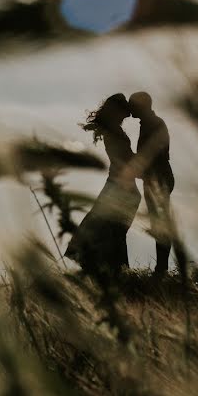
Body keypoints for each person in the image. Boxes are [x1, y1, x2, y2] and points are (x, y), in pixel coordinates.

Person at [64, 94, 142, 276]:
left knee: (108, 227)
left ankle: (108, 268)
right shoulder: (113, 132)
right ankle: (111, 269)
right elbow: (126, 160)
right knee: (111, 228)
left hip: (118, 185)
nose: (126, 117)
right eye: (124, 113)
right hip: (121, 187)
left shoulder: (112, 131)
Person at [128, 91, 175, 276]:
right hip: (156, 177)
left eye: (132, 105)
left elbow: (155, 154)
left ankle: (161, 269)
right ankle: (161, 267)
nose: (130, 109)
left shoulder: (153, 124)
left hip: (158, 178)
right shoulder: (151, 123)